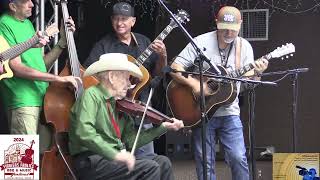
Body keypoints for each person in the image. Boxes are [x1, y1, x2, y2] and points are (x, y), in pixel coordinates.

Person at [170, 6, 269, 180]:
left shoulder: (244, 47)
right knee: (204, 161)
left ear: (240, 24)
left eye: (233, 29)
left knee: (238, 157)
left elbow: (248, 85)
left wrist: (258, 74)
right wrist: (194, 84)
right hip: (201, 111)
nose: (229, 33)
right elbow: (174, 68)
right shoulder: (200, 42)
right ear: (216, 23)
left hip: (230, 112)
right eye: (224, 28)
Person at [69, 53, 184, 180]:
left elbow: (130, 140)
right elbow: (84, 132)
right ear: (112, 77)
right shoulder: (91, 95)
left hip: (110, 159)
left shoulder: (120, 104)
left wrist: (162, 127)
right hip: (91, 161)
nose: (129, 84)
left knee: (163, 162)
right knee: (149, 168)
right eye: (126, 78)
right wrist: (115, 155)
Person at [83, 2, 167, 159]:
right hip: (114, 112)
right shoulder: (103, 45)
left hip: (141, 108)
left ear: (133, 21)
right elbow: (89, 75)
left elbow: (158, 73)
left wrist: (163, 55)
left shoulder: (144, 42)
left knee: (147, 158)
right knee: (117, 159)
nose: (119, 23)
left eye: (124, 19)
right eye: (116, 19)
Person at [0, 0, 81, 137]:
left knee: (41, 157)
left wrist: (62, 43)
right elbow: (17, 68)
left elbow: (42, 65)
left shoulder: (27, 24)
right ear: (13, 6)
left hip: (43, 99)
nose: (32, 4)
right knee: (22, 158)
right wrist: (58, 79)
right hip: (23, 101)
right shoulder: (4, 24)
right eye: (26, 2)